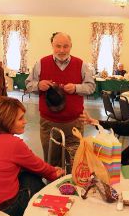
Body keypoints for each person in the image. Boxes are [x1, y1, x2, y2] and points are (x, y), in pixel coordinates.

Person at [0, 96, 64, 216]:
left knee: (27, 174)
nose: (25, 122)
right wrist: (54, 173)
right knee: (34, 180)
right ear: (7, 120)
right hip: (5, 210)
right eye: (20, 118)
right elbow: (38, 166)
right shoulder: (14, 144)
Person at [26, 32, 95, 167]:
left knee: (75, 163)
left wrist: (76, 88)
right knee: (52, 163)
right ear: (52, 45)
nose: (62, 50)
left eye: (65, 46)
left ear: (71, 46)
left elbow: (91, 87)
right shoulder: (41, 63)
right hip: (49, 124)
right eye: (58, 46)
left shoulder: (81, 65)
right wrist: (39, 85)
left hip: (75, 124)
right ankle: (53, 187)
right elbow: (28, 84)